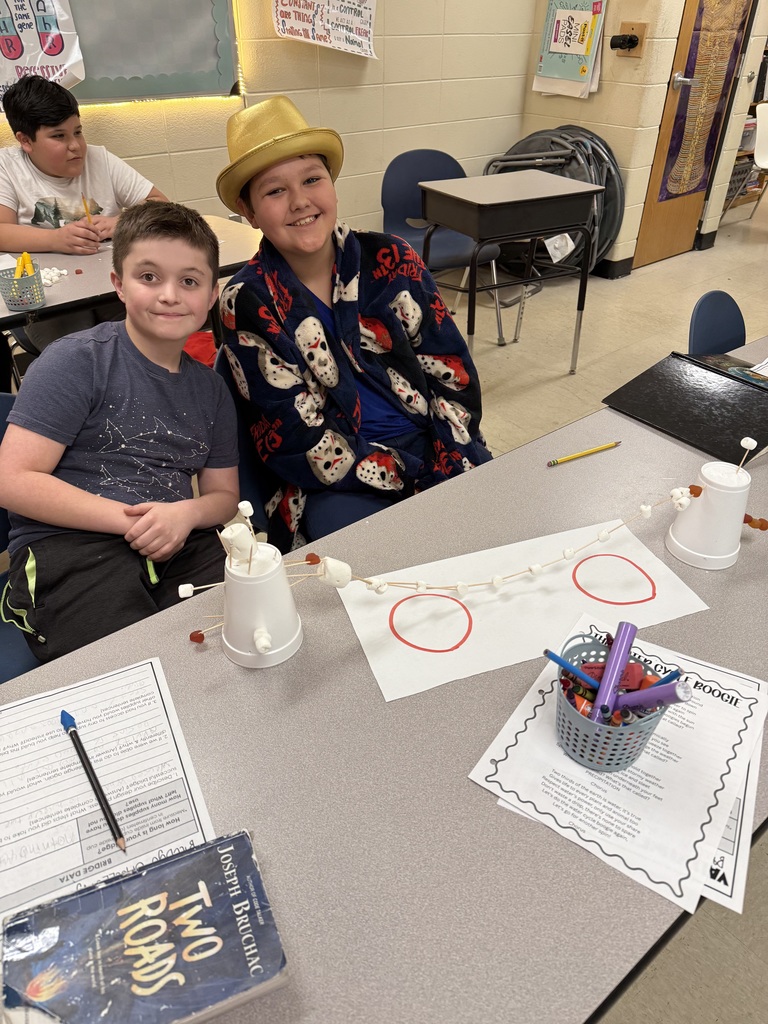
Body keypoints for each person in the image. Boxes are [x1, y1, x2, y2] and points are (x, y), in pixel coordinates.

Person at [215, 95, 492, 553]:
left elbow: (453, 375)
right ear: (249, 212)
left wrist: (449, 456)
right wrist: (412, 475)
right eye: (274, 191)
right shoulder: (246, 301)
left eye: (312, 179)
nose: (300, 201)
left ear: (333, 184)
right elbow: (295, 441)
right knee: (377, 558)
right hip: (336, 476)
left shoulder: (391, 258)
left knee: (493, 537)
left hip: (433, 441)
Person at [0, 201, 240, 662]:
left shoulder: (211, 391)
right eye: (149, 277)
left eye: (189, 281)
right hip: (70, 544)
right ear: (118, 284)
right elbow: (12, 480)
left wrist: (186, 514)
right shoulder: (77, 360)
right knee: (127, 667)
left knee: (239, 635)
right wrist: (134, 522)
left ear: (212, 295)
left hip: (177, 538)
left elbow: (223, 496)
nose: (169, 295)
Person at [0, 74, 168, 256]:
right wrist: (55, 239)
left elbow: (161, 205)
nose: (75, 146)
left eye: (78, 132)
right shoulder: (7, 166)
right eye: (59, 136)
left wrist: (121, 222)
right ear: (25, 140)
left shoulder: (99, 158)